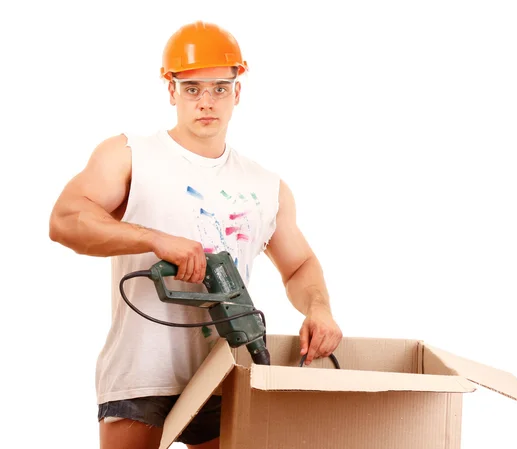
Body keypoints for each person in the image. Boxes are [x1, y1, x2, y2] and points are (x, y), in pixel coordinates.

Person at [48, 20, 343, 449]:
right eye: (192, 89)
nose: (207, 101)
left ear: (237, 92)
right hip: (141, 376)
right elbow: (65, 220)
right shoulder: (131, 154)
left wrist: (319, 308)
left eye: (220, 88)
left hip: (225, 372)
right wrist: (154, 240)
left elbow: (298, 264)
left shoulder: (266, 185)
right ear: (172, 92)